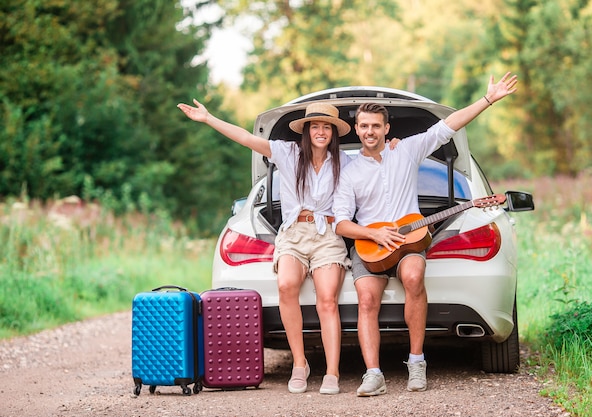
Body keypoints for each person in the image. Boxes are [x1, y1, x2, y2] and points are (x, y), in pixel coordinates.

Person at [332, 72, 518, 397]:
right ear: (358, 128)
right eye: (364, 126)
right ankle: (373, 374)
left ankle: (417, 363)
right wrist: (374, 236)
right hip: (369, 248)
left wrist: (487, 99)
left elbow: (448, 127)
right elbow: (341, 223)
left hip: (407, 244)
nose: (369, 131)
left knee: (415, 276)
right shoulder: (349, 172)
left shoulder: (406, 151)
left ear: (386, 128)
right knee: (366, 299)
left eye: (376, 125)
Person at [177, 99, 352, 395]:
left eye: (327, 127)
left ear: (334, 133)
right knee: (285, 285)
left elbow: (379, 163)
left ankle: (332, 372)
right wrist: (209, 119)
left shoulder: (345, 161)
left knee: (327, 299)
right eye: (316, 126)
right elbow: (246, 138)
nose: (321, 132)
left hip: (328, 236)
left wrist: (394, 145)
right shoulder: (287, 153)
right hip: (293, 234)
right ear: (307, 131)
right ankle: (300, 364)